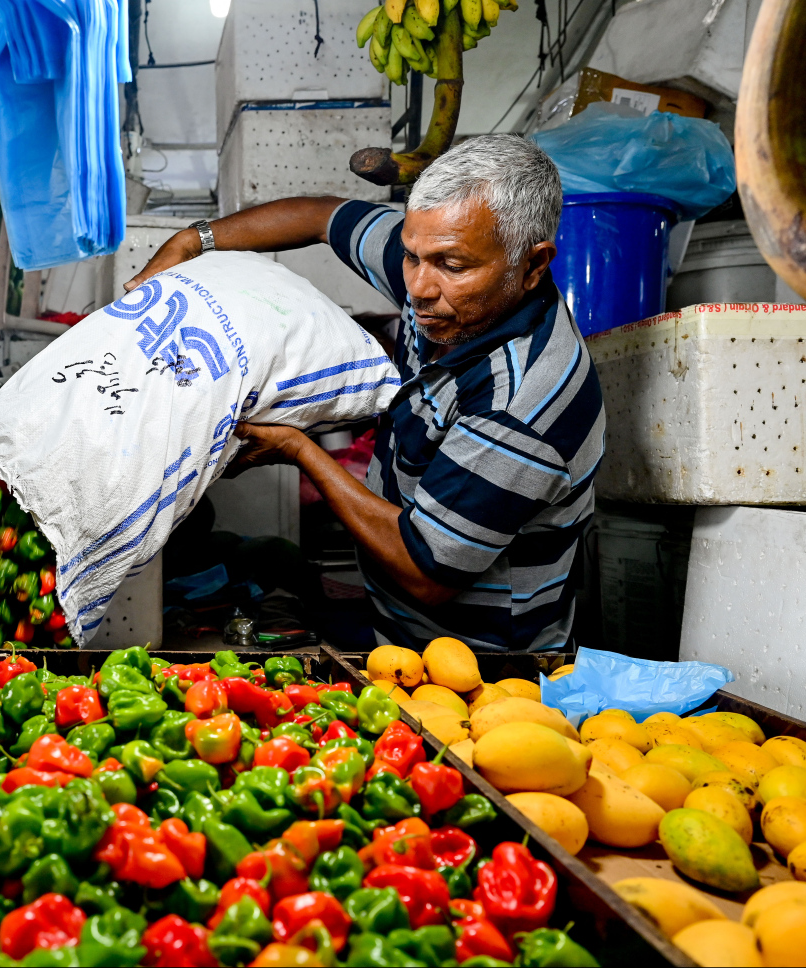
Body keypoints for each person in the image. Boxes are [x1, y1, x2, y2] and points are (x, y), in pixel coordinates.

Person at [126, 135, 603, 652]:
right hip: (396, 632)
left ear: (532, 265)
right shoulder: (442, 277)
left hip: (484, 662)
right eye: (412, 256)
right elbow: (321, 217)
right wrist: (192, 241)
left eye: (452, 266)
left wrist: (299, 450)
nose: (418, 289)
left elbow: (428, 571)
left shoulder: (524, 400)